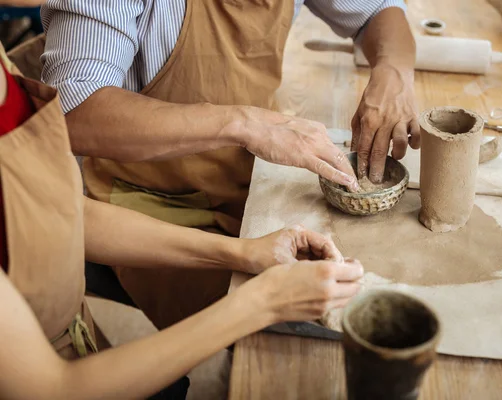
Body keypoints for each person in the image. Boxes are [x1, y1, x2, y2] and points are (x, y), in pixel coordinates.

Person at [0, 2, 364, 398]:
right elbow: (53, 387)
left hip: (74, 329)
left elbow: (64, 213)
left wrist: (242, 253)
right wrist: (262, 303)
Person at [34, 0, 417, 330]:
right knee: (302, 321)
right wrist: (242, 123)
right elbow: (73, 111)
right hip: (150, 199)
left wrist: (393, 72)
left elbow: (379, 12)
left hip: (249, 172)